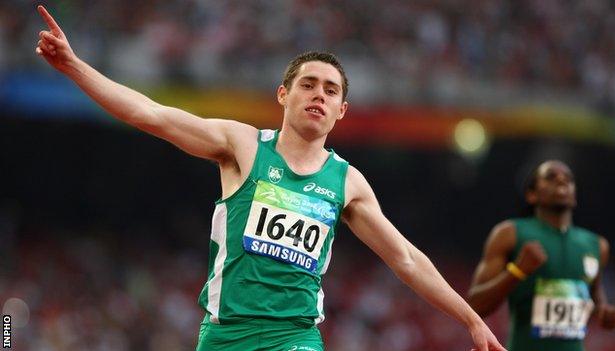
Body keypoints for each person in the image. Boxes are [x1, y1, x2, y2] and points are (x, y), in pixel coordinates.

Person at [35, 5, 505, 351]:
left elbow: (405, 258)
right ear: (283, 94)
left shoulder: (347, 182)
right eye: (308, 84)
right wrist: (74, 66)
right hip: (224, 335)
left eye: (331, 90)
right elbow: (151, 114)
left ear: (342, 111)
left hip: (294, 337)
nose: (318, 95)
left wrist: (470, 319)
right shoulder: (241, 146)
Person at [468, 160, 615, 351]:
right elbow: (474, 307)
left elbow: (594, 292)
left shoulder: (597, 245)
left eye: (568, 179)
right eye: (551, 177)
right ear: (531, 195)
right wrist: (517, 271)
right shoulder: (510, 234)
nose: (561, 180)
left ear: (575, 195)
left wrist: (602, 310)